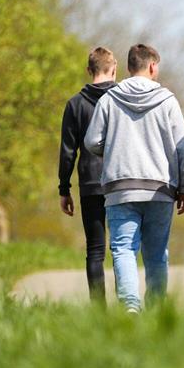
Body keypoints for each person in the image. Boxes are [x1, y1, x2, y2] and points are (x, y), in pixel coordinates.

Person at [83, 43, 184, 312]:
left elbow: (92, 141)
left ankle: (130, 306)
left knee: (123, 249)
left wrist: (113, 148)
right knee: (156, 253)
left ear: (129, 67)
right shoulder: (168, 100)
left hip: (120, 187)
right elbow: (181, 147)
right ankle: (156, 307)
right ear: (153, 66)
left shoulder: (109, 99)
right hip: (160, 188)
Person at [57, 46, 117, 304]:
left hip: (90, 183)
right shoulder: (121, 99)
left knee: (95, 251)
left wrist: (64, 188)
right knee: (123, 249)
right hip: (119, 181)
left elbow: (68, 150)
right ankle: (129, 306)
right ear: (114, 69)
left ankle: (98, 311)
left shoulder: (75, 104)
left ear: (88, 70)